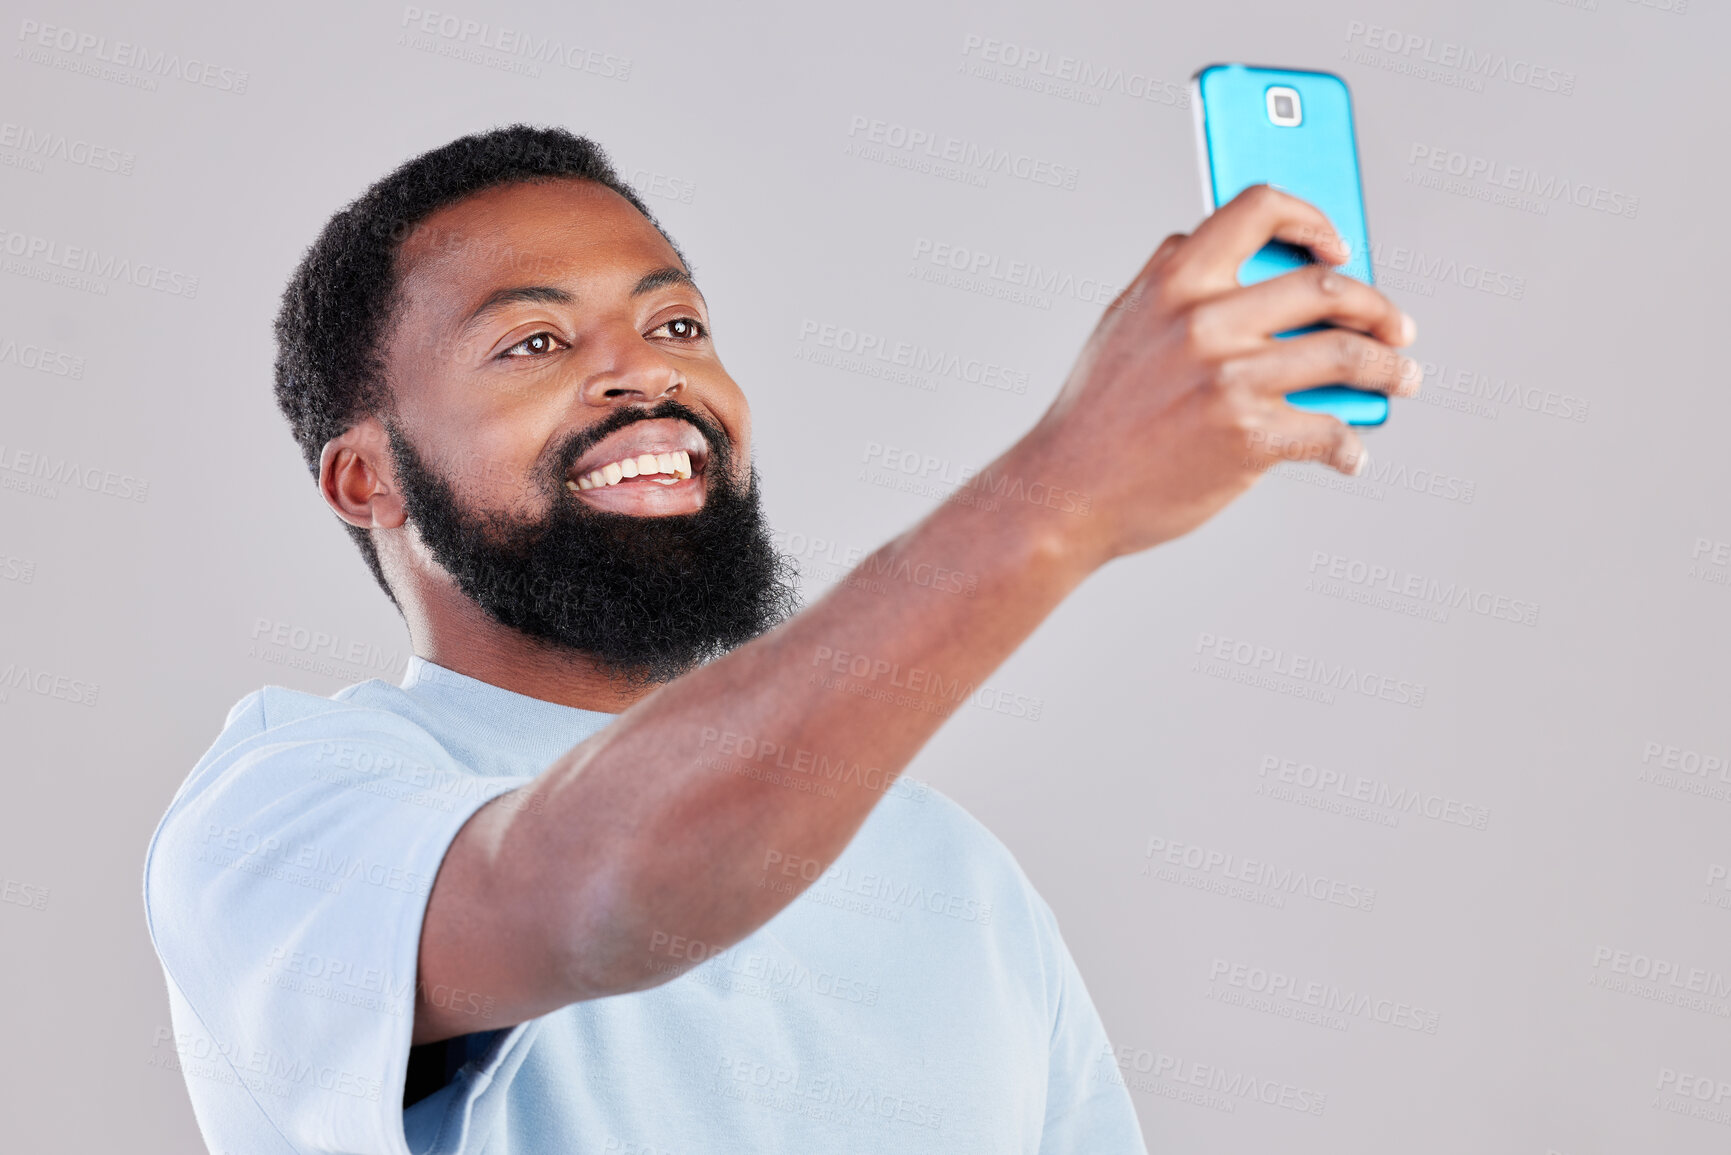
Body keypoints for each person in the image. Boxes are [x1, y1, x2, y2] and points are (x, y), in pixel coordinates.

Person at [142, 124, 1419, 1154]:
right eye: (534, 342)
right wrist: (1064, 490)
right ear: (368, 481)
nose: (645, 376)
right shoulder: (285, 810)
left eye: (677, 324)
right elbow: (592, 895)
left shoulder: (948, 871)